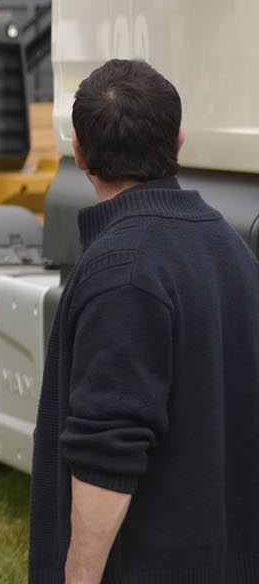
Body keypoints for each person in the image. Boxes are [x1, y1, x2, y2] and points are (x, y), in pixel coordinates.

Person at [29, 59, 259, 583]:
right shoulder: (232, 250)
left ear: (79, 153)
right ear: (177, 143)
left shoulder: (123, 273)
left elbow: (107, 452)